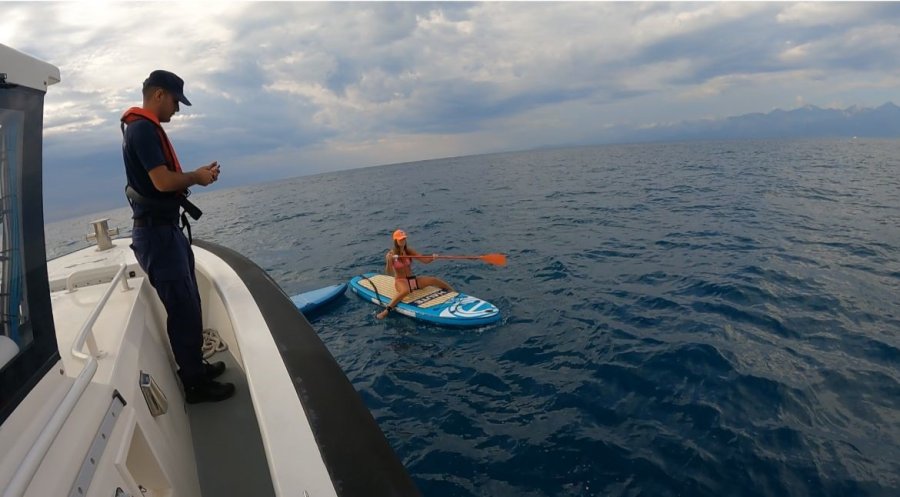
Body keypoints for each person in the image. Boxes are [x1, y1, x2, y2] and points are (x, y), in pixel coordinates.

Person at [120, 70, 234, 403]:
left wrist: (196, 176)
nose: (177, 110)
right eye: (175, 101)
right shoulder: (142, 130)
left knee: (190, 302)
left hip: (165, 231)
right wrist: (196, 177)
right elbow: (161, 182)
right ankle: (195, 385)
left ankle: (195, 366)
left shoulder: (141, 129)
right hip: (157, 236)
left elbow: (165, 180)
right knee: (182, 309)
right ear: (158, 95)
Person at [376, 229, 454, 319]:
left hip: (411, 280)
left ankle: (453, 292)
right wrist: (389, 261)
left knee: (433, 280)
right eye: (400, 239)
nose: (403, 241)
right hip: (400, 281)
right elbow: (389, 272)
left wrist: (433, 257)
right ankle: (386, 311)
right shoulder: (391, 254)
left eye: (404, 239)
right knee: (405, 291)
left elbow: (424, 260)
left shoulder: (408, 251)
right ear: (396, 241)